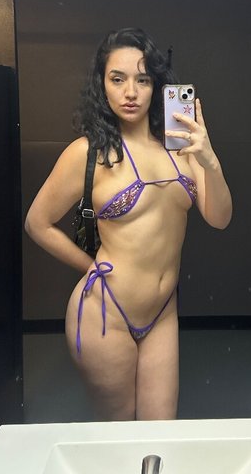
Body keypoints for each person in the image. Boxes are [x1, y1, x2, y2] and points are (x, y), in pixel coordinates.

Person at [25, 27, 232, 421]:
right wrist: (90, 267)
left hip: (162, 313)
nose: (131, 92)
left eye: (143, 79)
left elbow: (219, 219)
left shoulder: (182, 145)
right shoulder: (88, 153)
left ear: (157, 86)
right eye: (117, 79)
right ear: (101, 85)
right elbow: (37, 223)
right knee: (118, 433)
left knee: (159, 433)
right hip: (107, 312)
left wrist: (210, 161)